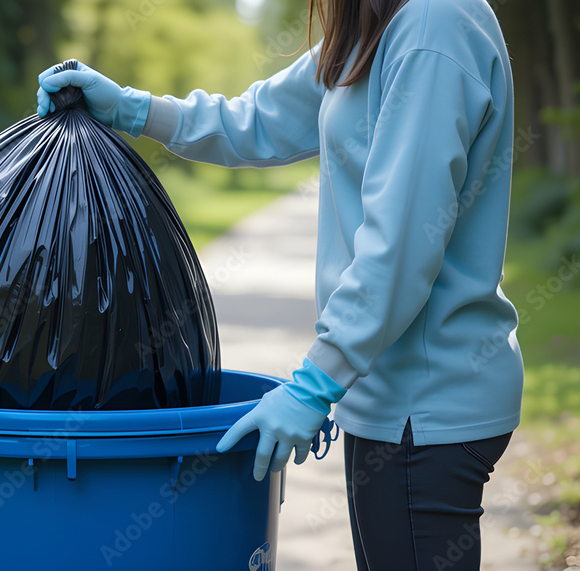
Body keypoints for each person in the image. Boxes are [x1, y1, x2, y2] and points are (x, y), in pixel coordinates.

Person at [36, 0, 524, 568]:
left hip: (426, 402)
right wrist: (131, 108)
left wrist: (314, 384)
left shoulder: (433, 23)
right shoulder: (376, 24)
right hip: (392, 397)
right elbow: (257, 121)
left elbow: (404, 245)